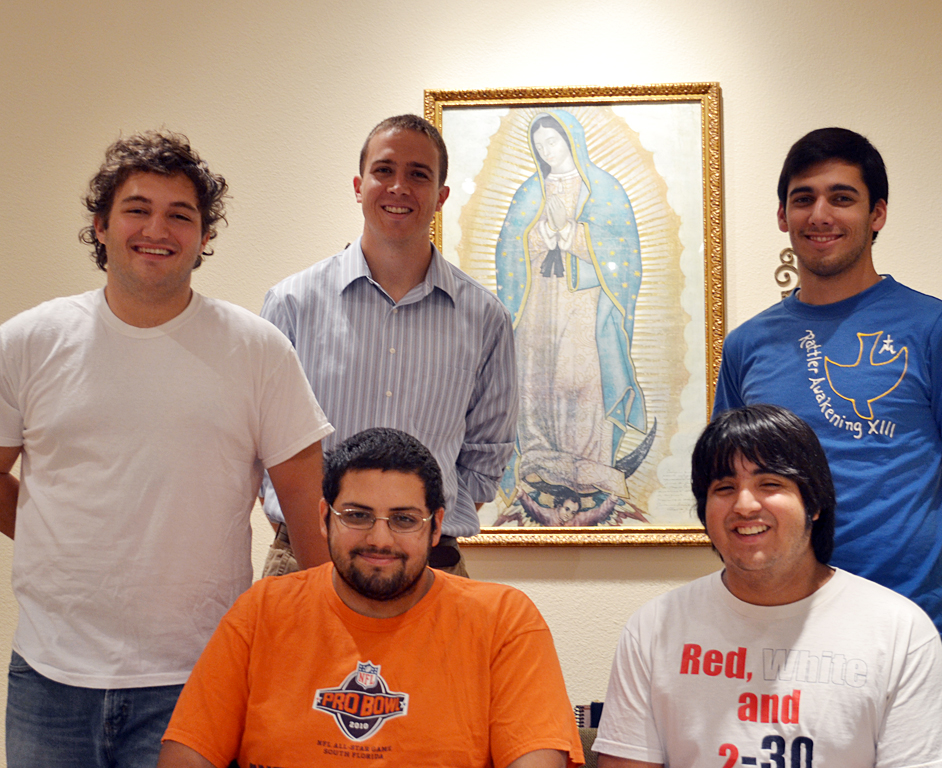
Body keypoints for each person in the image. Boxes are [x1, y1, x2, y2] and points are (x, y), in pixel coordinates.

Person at [0, 130, 333, 767]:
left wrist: (332, 641)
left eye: (180, 215)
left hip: (199, 673)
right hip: (50, 676)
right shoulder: (28, 343)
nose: (157, 229)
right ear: (100, 226)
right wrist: (56, 536)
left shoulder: (258, 351)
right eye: (137, 209)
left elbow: (307, 509)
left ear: (204, 236)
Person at [713, 127, 942, 676]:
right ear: (782, 215)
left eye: (841, 197)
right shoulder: (746, 346)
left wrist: (913, 595)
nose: (820, 214)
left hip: (901, 641)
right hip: (773, 635)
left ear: (877, 214)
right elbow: (728, 490)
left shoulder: (939, 330)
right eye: (803, 198)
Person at [158, 428, 584, 768]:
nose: (380, 539)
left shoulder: (504, 620)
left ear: (436, 526)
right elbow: (187, 754)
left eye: (404, 519)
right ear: (324, 518)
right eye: (358, 516)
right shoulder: (262, 610)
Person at [593, 404, 942, 768]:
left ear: (814, 503)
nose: (744, 505)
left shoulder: (900, 632)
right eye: (724, 488)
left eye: (770, 483)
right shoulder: (653, 628)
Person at [259, 114, 517, 576]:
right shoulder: (292, 303)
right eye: (384, 170)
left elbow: (487, 452)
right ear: (359, 186)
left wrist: (413, 531)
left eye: (418, 174)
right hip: (307, 559)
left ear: (440, 197)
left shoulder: (485, 318)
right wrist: (319, 535)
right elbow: (264, 444)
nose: (399, 187)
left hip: (430, 566)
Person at [494, 110, 648, 512]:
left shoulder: (603, 189)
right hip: (538, 301)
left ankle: (588, 464)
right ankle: (539, 457)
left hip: (585, 301)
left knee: (579, 378)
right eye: (540, 145)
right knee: (536, 378)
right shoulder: (530, 191)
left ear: (571, 141)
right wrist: (541, 235)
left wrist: (572, 235)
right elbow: (509, 248)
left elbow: (623, 252)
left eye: (553, 142)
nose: (547, 151)